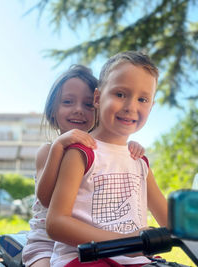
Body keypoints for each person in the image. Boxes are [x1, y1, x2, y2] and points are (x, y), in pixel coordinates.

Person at [45, 51, 168, 267]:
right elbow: (55, 223)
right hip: (84, 258)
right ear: (97, 98)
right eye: (120, 94)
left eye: (142, 99)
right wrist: (127, 243)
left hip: (136, 261)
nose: (131, 106)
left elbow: (172, 222)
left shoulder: (139, 161)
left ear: (151, 106)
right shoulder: (82, 152)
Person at [22, 64, 145, 267]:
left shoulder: (95, 152)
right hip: (46, 242)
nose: (78, 110)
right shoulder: (48, 150)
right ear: (52, 111)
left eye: (88, 104)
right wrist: (58, 147)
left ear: (98, 106)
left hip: (83, 240)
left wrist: (128, 149)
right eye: (68, 102)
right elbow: (45, 199)